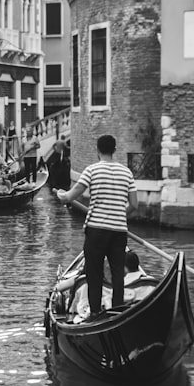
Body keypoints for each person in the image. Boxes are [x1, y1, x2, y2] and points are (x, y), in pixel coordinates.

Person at [57, 134, 138, 323]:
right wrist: (118, 215)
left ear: (97, 150)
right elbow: (134, 205)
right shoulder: (126, 173)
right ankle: (117, 313)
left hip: (96, 231)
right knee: (118, 272)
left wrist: (60, 194)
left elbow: (70, 197)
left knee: (94, 272)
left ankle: (95, 314)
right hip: (118, 231)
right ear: (115, 150)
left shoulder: (92, 170)